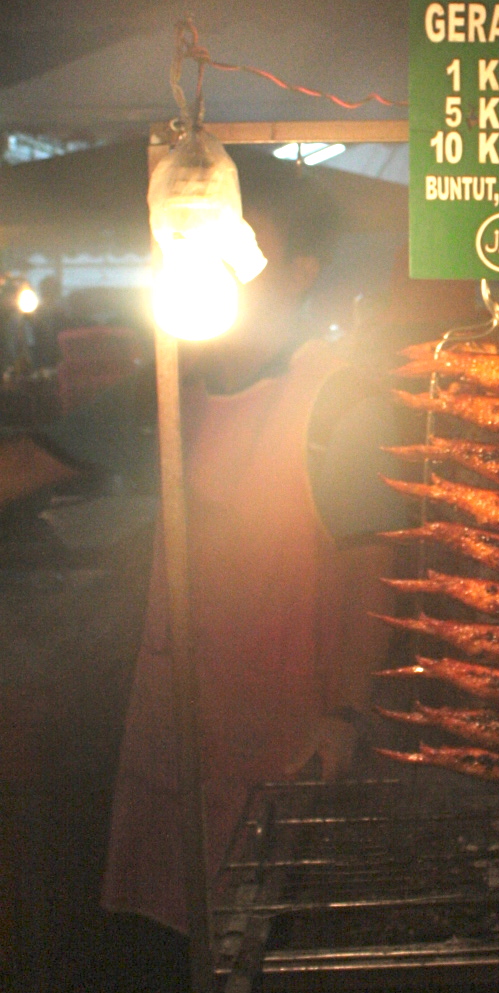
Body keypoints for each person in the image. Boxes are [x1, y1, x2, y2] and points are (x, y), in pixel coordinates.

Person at [14, 152, 405, 934]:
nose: (216, 261)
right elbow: (31, 462)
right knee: (178, 934)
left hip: (294, 732)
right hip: (181, 720)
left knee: (269, 949)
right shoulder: (169, 380)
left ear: (299, 271)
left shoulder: (340, 397)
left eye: (244, 244)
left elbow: (371, 567)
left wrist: (347, 714)